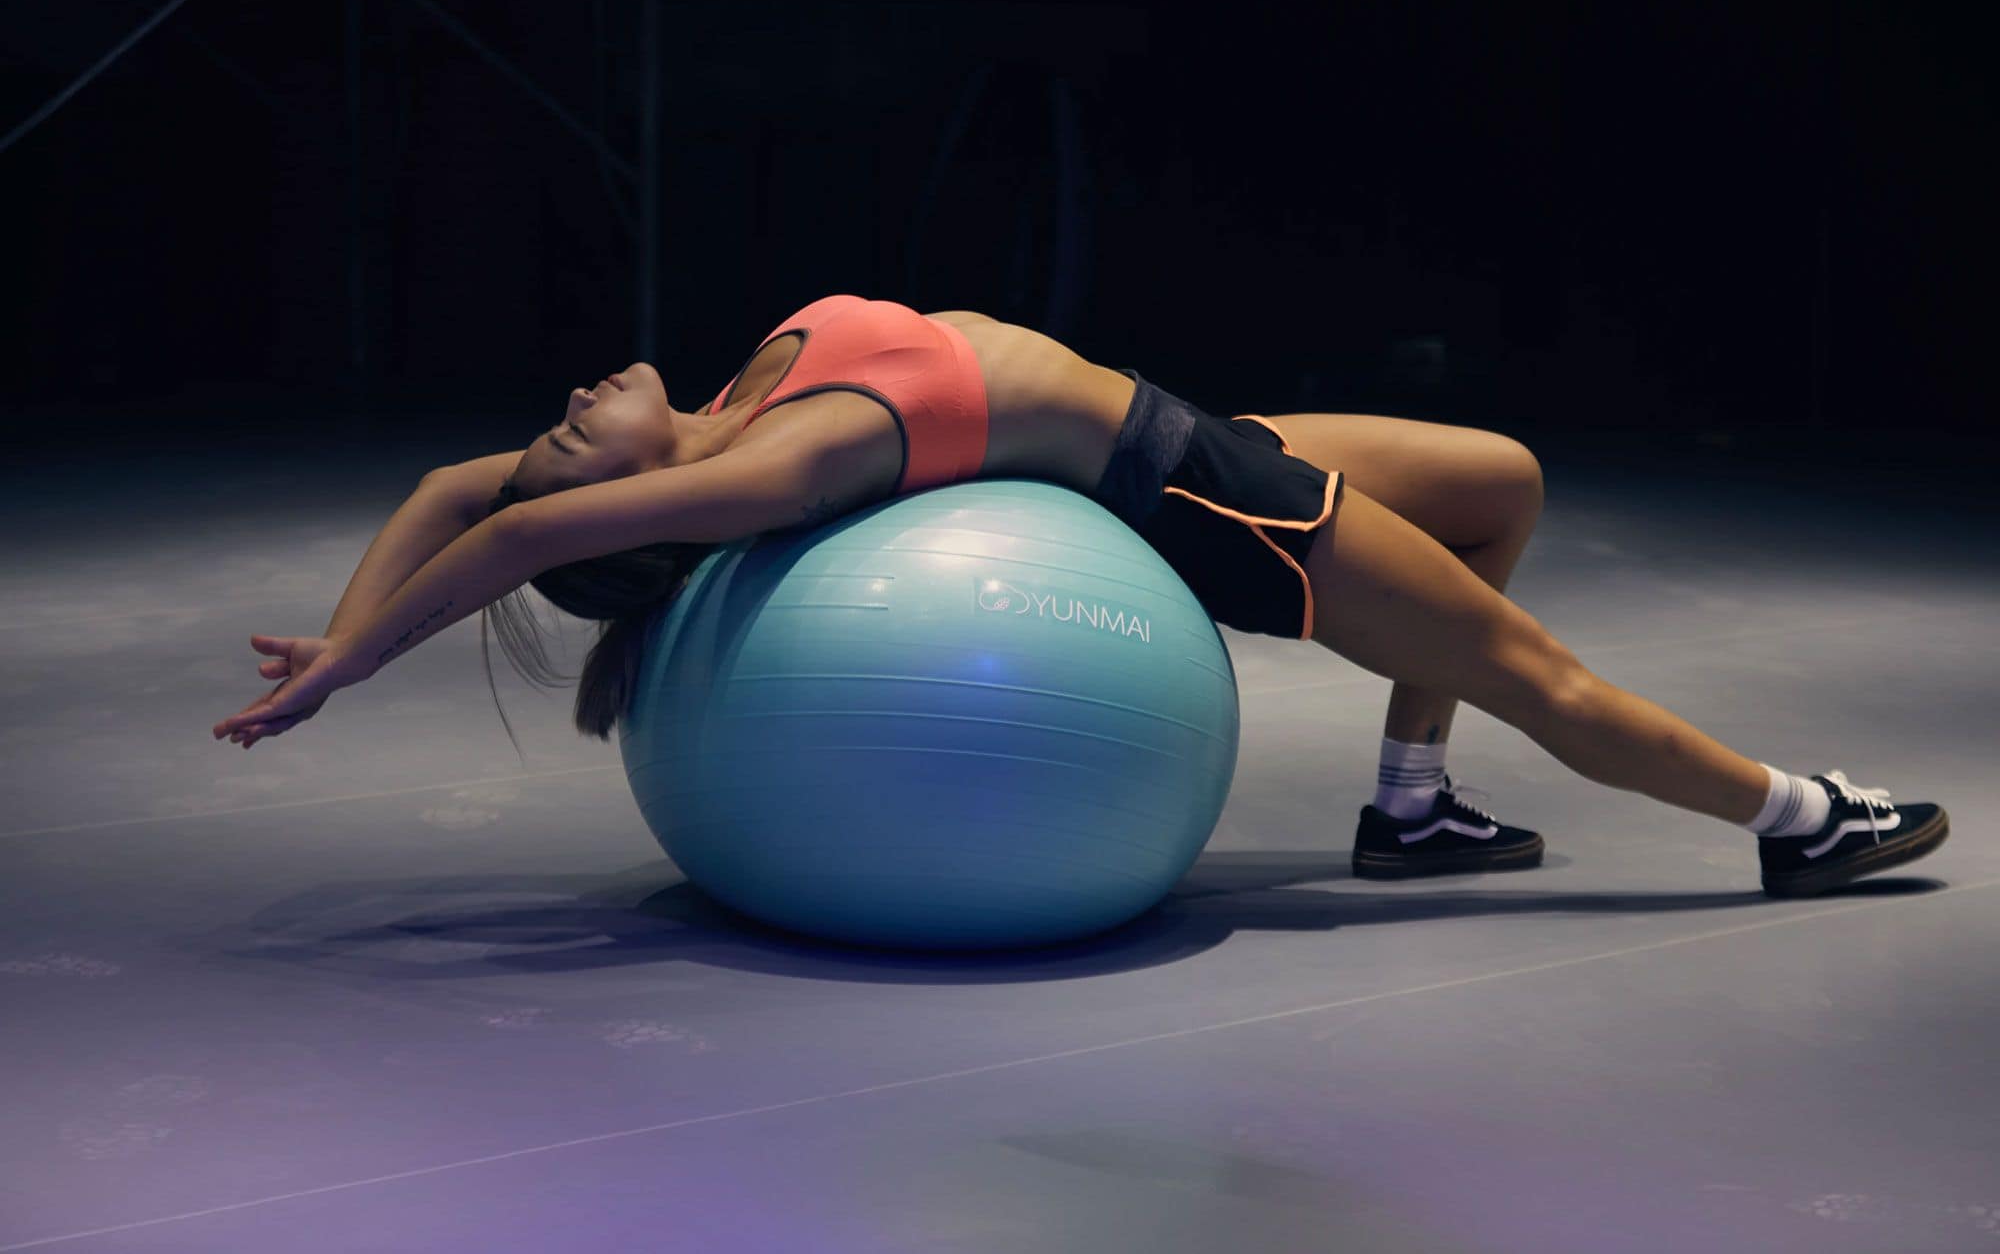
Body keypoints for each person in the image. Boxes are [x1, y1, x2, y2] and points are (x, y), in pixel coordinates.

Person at [212, 294, 1948, 899]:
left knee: (1504, 480)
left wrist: (348, 612)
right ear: (632, 506)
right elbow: (502, 536)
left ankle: (1411, 813)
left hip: (1183, 427)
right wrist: (354, 668)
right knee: (1536, 671)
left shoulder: (728, 406)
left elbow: (459, 494)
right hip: (1199, 496)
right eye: (565, 439)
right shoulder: (753, 469)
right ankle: (1795, 813)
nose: (565, 404)